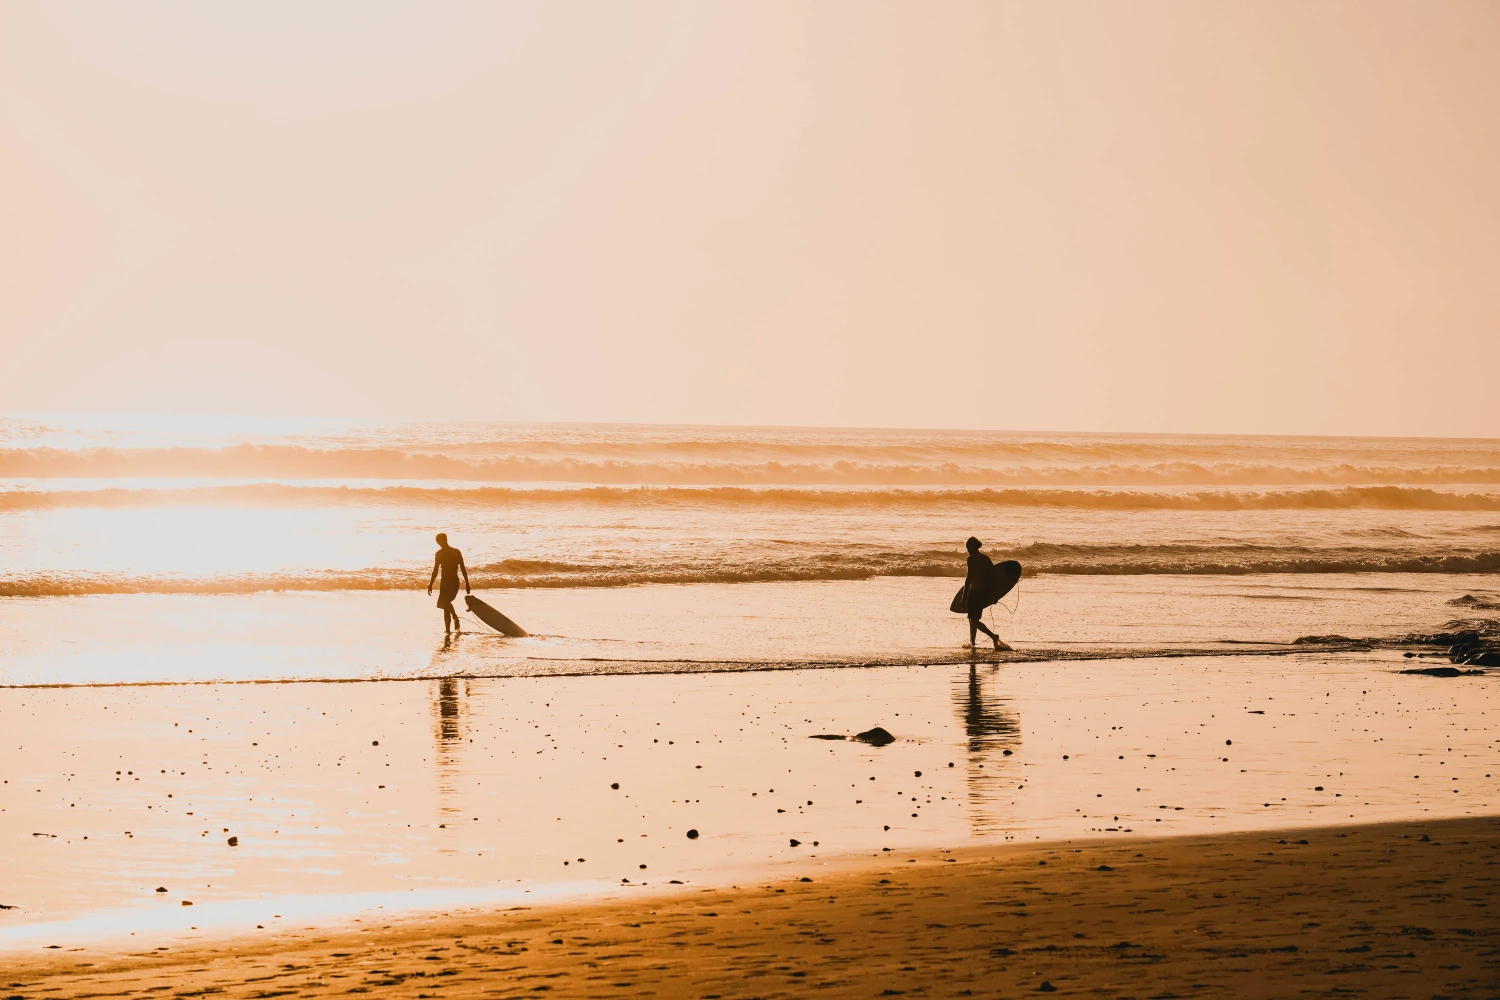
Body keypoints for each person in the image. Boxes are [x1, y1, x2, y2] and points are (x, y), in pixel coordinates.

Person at [962, 536, 1011, 652]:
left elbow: (968, 580)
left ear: (972, 547)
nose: (967, 549)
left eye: (968, 547)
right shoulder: (986, 558)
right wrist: (993, 595)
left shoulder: (971, 559)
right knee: (972, 619)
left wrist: (963, 597)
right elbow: (993, 577)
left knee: (974, 620)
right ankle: (972, 642)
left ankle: (993, 636)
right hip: (984, 593)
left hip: (974, 593)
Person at [427, 533, 471, 632]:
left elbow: (463, 568)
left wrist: (467, 584)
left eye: (439, 541)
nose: (438, 543)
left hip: (453, 582)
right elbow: (435, 570)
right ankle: (454, 620)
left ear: (445, 540)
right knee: (445, 604)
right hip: (444, 583)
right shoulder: (439, 554)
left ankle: (448, 630)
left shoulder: (456, 552)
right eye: (437, 542)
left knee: (446, 603)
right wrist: (430, 584)